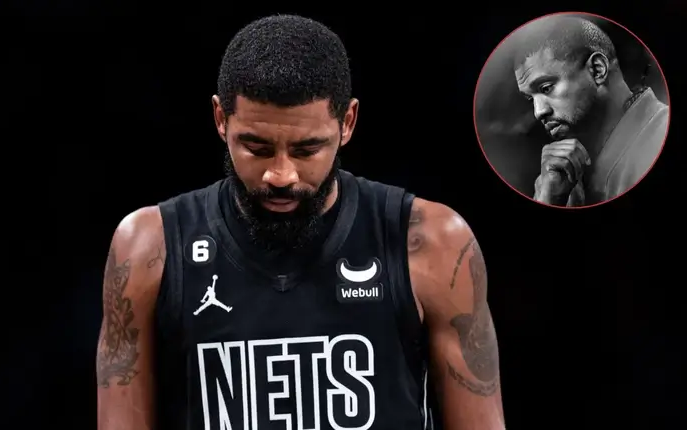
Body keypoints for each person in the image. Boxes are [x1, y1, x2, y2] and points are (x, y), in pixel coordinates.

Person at [96, 14, 505, 430]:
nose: (281, 175)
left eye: (307, 150)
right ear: (220, 118)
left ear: (347, 122)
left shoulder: (430, 241)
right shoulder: (149, 247)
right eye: (256, 148)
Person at [513, 14, 669, 207]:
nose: (538, 112)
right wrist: (548, 200)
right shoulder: (566, 175)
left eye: (546, 88)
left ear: (597, 69)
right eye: (530, 99)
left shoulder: (660, 135)